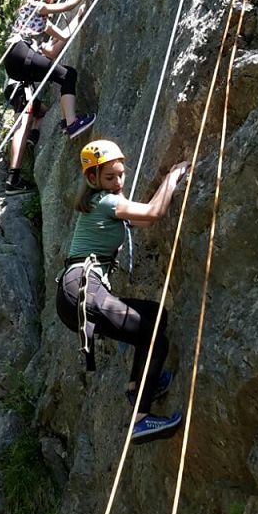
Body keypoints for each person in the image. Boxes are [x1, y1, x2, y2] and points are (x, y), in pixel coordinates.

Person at [56, 140, 188, 443]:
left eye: (121, 174)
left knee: (155, 316)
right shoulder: (104, 201)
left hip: (75, 296)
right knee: (155, 338)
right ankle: (140, 419)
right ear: (93, 179)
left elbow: (143, 220)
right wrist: (173, 175)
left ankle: (139, 386)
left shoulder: (103, 203)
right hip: (83, 289)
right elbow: (153, 212)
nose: (118, 182)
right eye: (110, 177)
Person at [3, 0, 96, 195]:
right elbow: (66, 5)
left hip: (19, 62)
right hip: (19, 52)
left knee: (65, 75)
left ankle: (57, 126)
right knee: (67, 76)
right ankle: (71, 122)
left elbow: (62, 38)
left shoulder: (40, 23)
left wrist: (79, 15)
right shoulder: (32, 6)